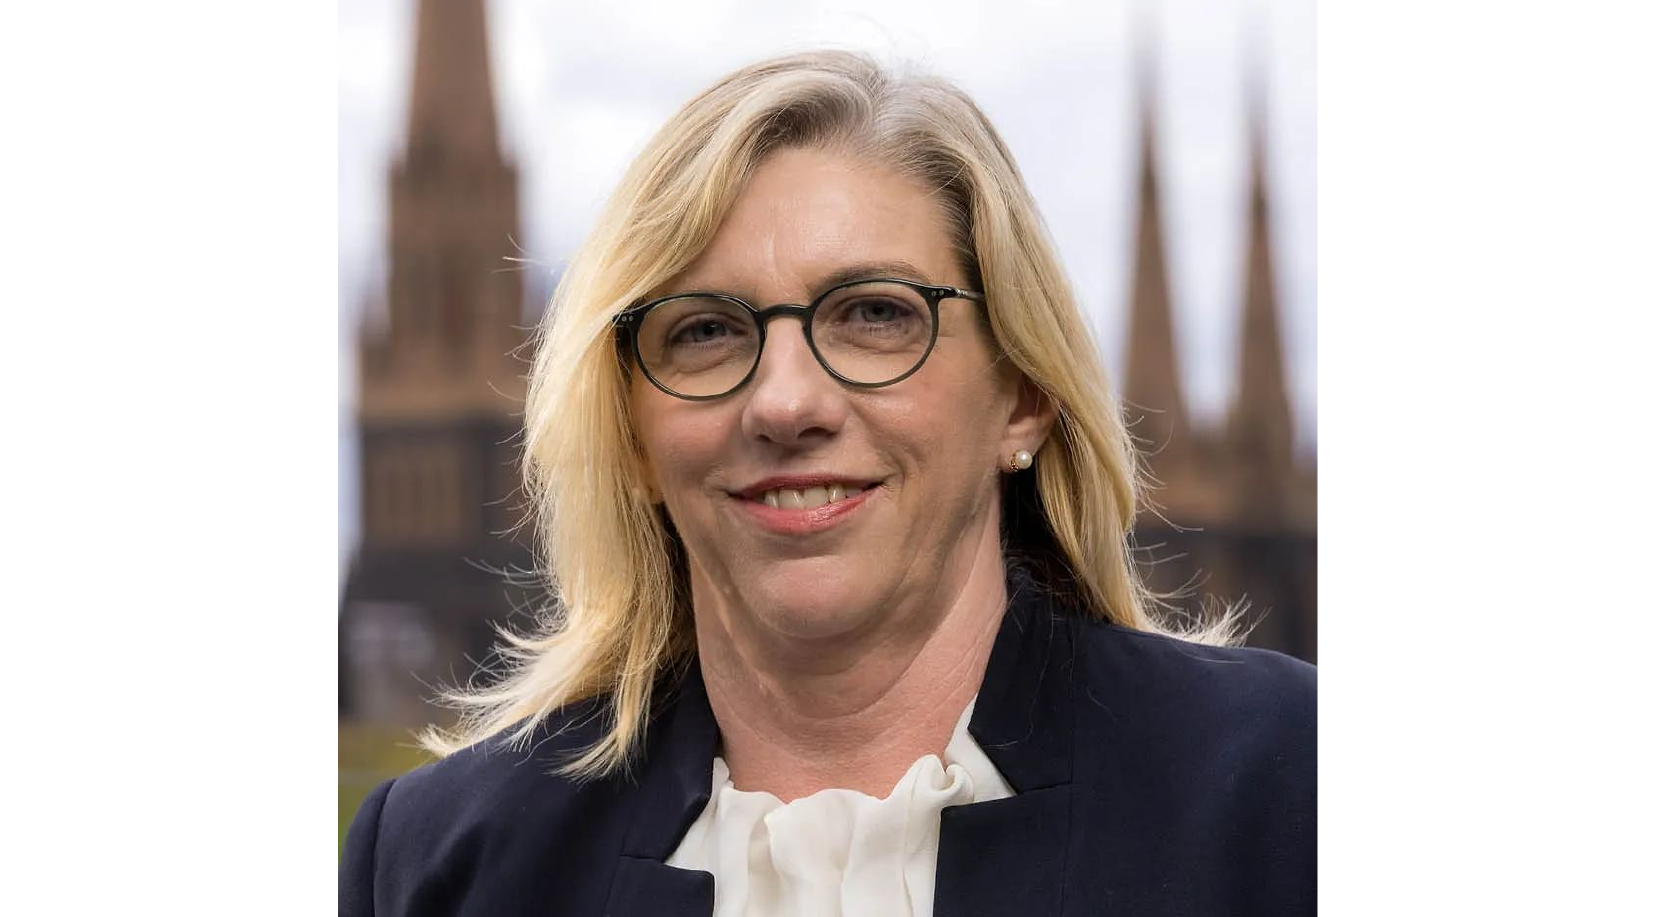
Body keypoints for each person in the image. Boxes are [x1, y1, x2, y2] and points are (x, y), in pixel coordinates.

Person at [340, 49, 1315, 916]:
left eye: (875, 314)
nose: (785, 402)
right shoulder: (443, 864)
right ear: (631, 434)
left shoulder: (1287, 787)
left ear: (1022, 395)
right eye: (706, 330)